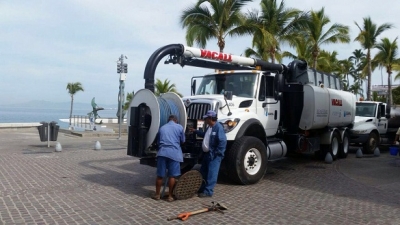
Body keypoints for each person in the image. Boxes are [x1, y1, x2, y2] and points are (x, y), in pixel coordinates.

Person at [190, 110, 227, 198]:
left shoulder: (218, 127)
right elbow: (205, 135)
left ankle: (208, 191)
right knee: (204, 172)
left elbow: (222, 141)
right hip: (206, 154)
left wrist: (217, 153)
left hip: (213, 155)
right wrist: (195, 131)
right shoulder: (209, 127)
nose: (205, 120)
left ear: (210, 118)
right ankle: (202, 188)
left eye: (206, 118)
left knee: (212, 174)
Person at [152, 115, 185, 202]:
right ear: (176, 120)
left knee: (160, 176)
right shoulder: (179, 127)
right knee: (172, 176)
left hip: (162, 153)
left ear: (168, 120)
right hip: (174, 153)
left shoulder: (162, 128)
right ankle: (170, 196)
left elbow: (158, 141)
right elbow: (183, 140)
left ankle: (157, 195)